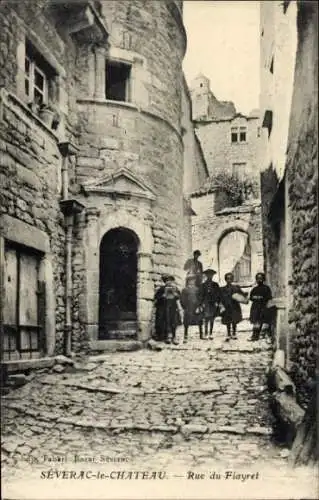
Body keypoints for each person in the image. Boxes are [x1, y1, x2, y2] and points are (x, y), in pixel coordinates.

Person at [220, 272, 248, 341]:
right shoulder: (222, 289)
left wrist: (245, 294)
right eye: (227, 279)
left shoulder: (236, 287)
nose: (229, 280)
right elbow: (220, 297)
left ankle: (234, 333)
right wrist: (221, 306)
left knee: (234, 320)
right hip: (227, 307)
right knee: (227, 321)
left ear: (232, 279)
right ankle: (228, 334)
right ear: (225, 280)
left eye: (230, 279)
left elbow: (242, 294)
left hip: (234, 307)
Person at [249, 272, 273, 341]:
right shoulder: (254, 289)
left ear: (264, 279)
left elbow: (269, 297)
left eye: (261, 278)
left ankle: (264, 335)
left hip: (263, 307)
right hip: (255, 307)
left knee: (263, 321)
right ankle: (255, 335)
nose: (259, 280)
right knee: (256, 322)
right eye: (258, 279)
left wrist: (261, 298)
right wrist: (256, 297)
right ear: (256, 280)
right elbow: (251, 297)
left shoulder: (266, 288)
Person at [180, 274, 203, 343]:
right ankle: (185, 335)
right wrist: (184, 307)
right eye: (190, 280)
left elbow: (200, 298)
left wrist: (199, 306)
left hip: (196, 308)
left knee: (199, 321)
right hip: (188, 308)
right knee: (186, 322)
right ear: (188, 281)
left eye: (193, 280)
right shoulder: (185, 290)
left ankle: (201, 334)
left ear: (195, 281)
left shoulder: (197, 289)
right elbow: (182, 299)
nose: (192, 282)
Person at [201, 268, 221, 339]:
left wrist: (217, 302)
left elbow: (218, 294)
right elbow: (201, 295)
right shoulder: (203, 285)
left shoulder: (215, 285)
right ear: (206, 275)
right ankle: (206, 333)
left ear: (213, 276)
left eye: (211, 275)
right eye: (208, 275)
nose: (210, 276)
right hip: (206, 303)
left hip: (213, 303)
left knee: (212, 318)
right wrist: (202, 303)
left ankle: (211, 333)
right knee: (206, 318)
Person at [163, 275, 181, 345]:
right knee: (167, 321)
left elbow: (179, 297)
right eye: (167, 281)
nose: (169, 282)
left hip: (173, 307)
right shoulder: (163, 288)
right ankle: (168, 337)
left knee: (174, 321)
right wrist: (163, 296)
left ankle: (174, 337)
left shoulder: (175, 288)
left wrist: (175, 294)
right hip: (166, 307)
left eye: (170, 280)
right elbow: (157, 297)